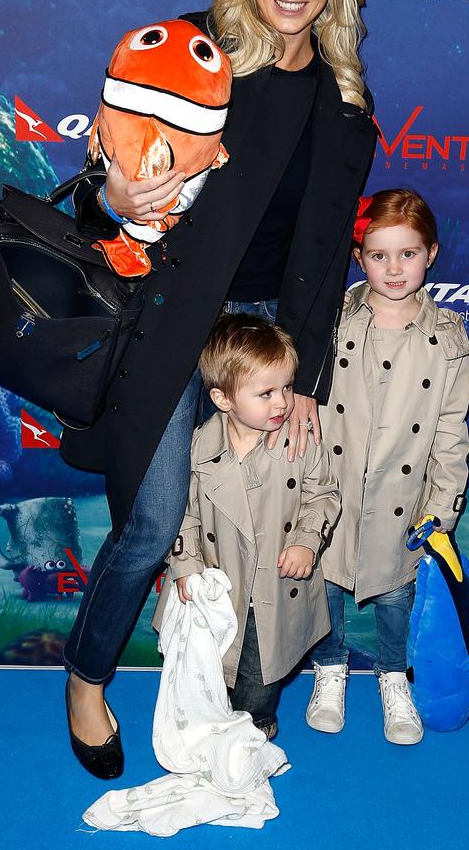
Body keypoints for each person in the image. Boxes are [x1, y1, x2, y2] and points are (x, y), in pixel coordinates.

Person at [60, 0, 377, 778]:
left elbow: (323, 248)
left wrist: (306, 377)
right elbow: (101, 194)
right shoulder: (192, 50)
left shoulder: (343, 91)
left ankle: (232, 682)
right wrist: (114, 193)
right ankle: (87, 678)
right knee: (157, 519)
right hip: (167, 320)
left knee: (257, 522)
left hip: (268, 341)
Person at [304, 189, 469, 745]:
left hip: (403, 492)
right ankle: (329, 671)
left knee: (398, 591)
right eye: (379, 255)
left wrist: (442, 504)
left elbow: (450, 429)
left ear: (432, 254)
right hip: (332, 484)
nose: (394, 268)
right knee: (325, 581)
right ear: (359, 258)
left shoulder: (447, 338)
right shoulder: (330, 320)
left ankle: (393, 675)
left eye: (408, 253)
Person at [155, 314, 338, 739]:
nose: (283, 403)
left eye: (288, 387)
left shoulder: (302, 440)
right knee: (208, 669)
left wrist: (306, 543)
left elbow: (324, 495)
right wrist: (186, 564)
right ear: (223, 398)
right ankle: (212, 726)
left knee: (261, 675)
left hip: (274, 588)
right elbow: (179, 511)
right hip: (217, 589)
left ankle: (256, 726)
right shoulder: (198, 444)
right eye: (267, 393)